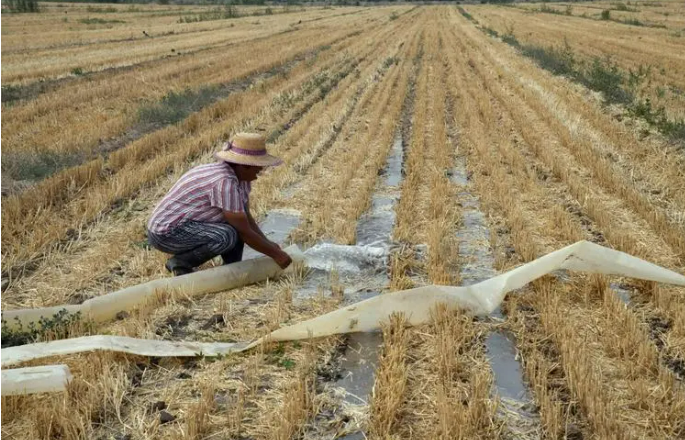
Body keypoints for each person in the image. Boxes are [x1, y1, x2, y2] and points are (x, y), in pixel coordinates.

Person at [147, 132, 293, 276]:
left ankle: (232, 269)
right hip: (167, 233)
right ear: (245, 166)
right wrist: (277, 255)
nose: (262, 169)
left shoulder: (241, 180)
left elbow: (246, 219)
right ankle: (181, 262)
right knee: (227, 235)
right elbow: (244, 231)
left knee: (234, 227)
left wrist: (268, 244)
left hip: (189, 225)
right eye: (259, 166)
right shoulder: (224, 182)